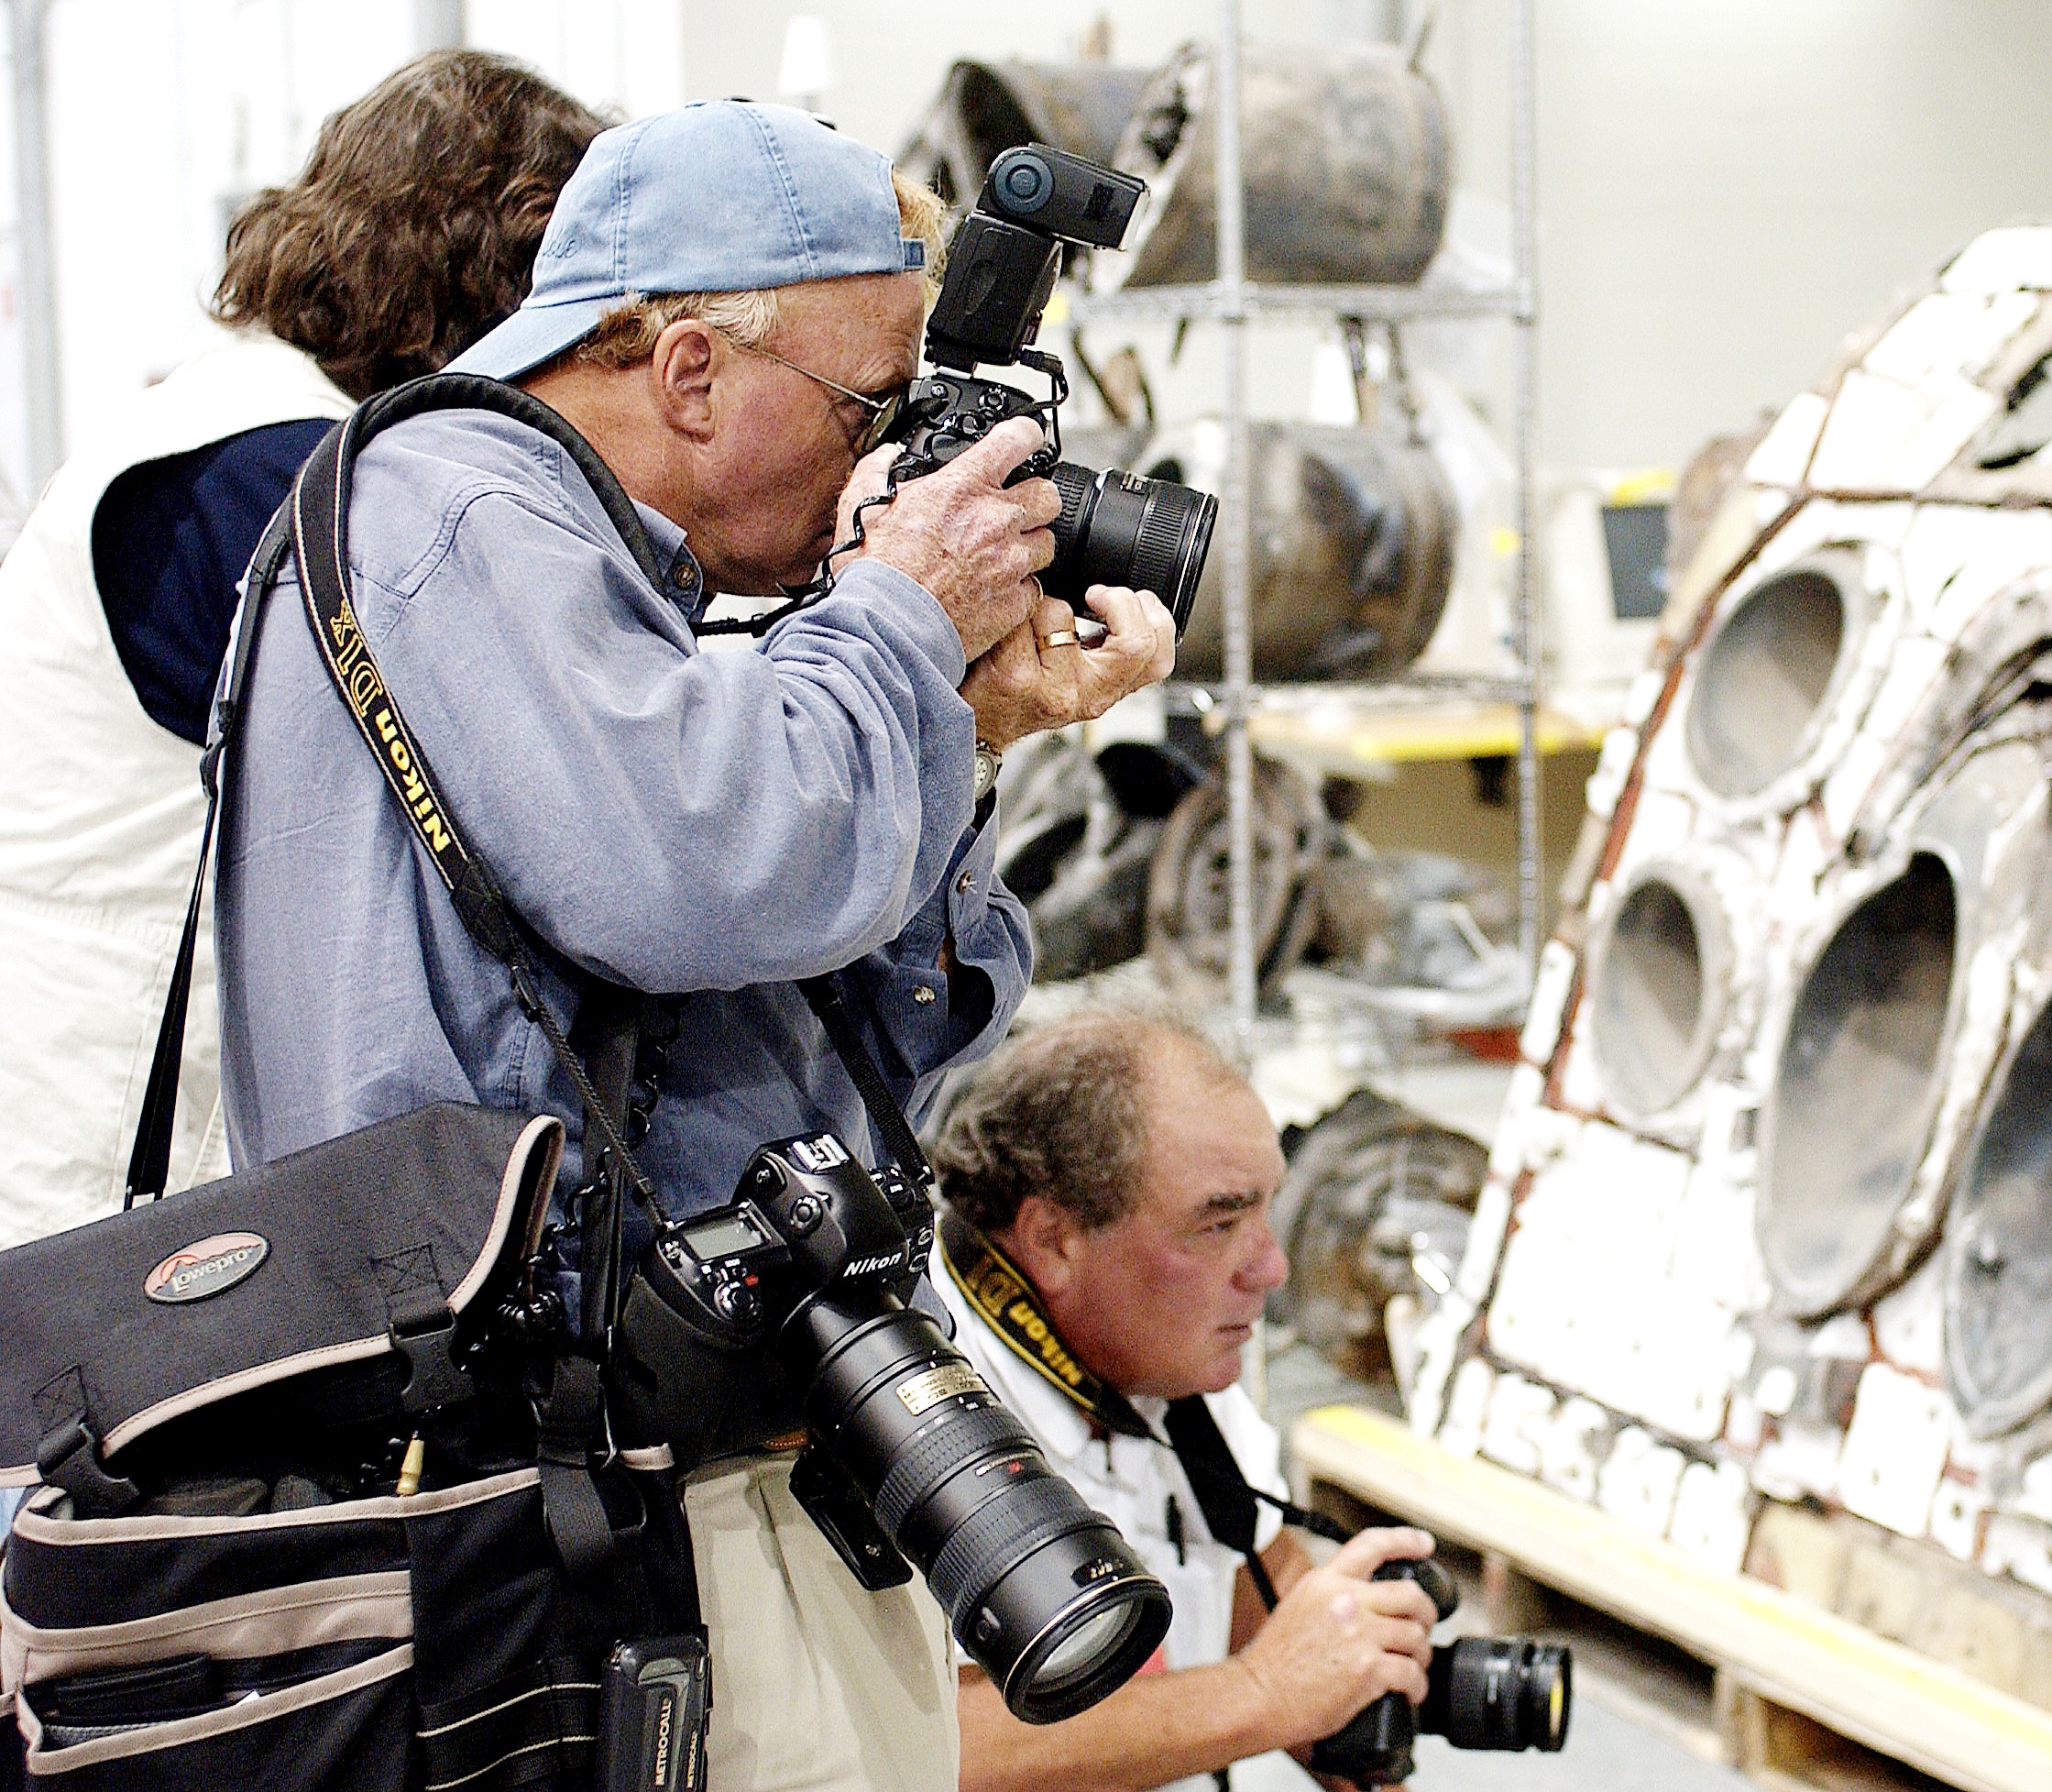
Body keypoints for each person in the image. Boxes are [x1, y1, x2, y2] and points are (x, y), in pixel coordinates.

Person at [213, 101, 1176, 1792]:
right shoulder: (454, 507)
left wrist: (973, 725)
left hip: (709, 1457)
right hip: (574, 1491)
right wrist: (900, 612)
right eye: (873, 404)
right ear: (688, 371)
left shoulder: (611, 583)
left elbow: (860, 1007)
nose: (891, 462)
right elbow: (713, 876)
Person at [0, 49, 604, 1249]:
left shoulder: (263, 439)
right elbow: (521, 769)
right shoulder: (268, 478)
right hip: (107, 1108)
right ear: (493, 277)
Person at [928, 1009, 1440, 1792]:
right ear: (1055, 1238)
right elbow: (940, 1744)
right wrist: (1262, 1693)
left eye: (1268, 1209)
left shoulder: (1166, 1363)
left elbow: (1272, 1604)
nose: (1271, 1266)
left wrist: (1353, 1676)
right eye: (1220, 1221)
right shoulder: (909, 1402)